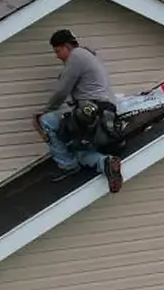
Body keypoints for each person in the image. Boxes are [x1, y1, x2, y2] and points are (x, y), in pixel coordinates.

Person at [35, 29, 124, 194]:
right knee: (79, 149)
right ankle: (106, 162)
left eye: (58, 50)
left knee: (46, 121)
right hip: (106, 113)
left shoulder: (76, 56)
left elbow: (61, 92)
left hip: (93, 110)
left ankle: (67, 166)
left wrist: (46, 111)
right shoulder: (89, 56)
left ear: (67, 46)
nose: (57, 56)